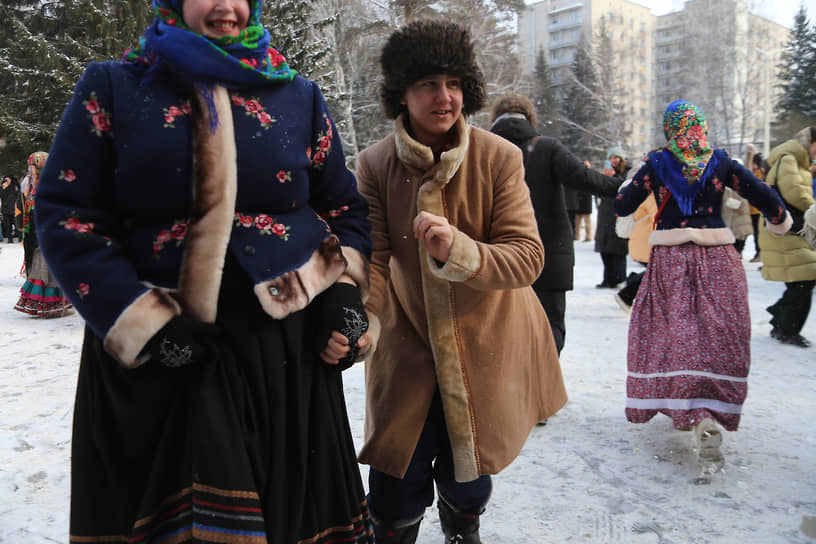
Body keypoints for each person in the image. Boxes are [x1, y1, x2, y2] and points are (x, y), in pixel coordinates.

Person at [34, 1, 375, 542]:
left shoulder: (297, 95)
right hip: (160, 362)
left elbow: (345, 211)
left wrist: (343, 292)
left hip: (281, 357)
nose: (226, 6)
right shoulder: (115, 87)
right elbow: (67, 215)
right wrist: (145, 325)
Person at [354, 21, 566, 543]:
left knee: (467, 474)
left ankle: (462, 527)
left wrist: (460, 250)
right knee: (393, 483)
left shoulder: (499, 157)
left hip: (486, 344)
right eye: (427, 83)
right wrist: (361, 321)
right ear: (401, 94)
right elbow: (375, 259)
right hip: (405, 345)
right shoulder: (374, 165)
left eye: (453, 83)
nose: (443, 97)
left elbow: (527, 258)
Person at [615, 100, 790, 470]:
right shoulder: (722, 162)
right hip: (718, 258)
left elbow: (623, 203)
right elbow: (763, 196)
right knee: (716, 333)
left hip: (671, 260)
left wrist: (635, 181)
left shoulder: (658, 164)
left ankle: (688, 409)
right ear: (702, 129)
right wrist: (780, 220)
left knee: (674, 334)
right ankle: (708, 411)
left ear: (670, 129)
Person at [488, 93, 620, 354]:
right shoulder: (548, 148)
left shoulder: (482, 149)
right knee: (550, 327)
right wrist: (631, 187)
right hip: (550, 253)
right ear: (529, 117)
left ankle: (509, 387)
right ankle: (542, 387)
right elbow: (587, 179)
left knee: (499, 328)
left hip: (498, 254)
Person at [758, 126, 816, 348]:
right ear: (810, 142)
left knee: (803, 280)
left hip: (790, 227)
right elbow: (794, 193)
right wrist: (813, 210)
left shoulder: (796, 160)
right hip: (786, 229)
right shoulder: (789, 158)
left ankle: (781, 321)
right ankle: (786, 326)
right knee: (805, 279)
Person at [13, 152, 74, 318]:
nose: (30, 168)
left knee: (47, 267)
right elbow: (23, 208)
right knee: (42, 267)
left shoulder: (51, 183)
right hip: (37, 231)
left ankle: (53, 304)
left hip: (49, 231)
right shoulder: (30, 184)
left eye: (32, 165)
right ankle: (48, 304)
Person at [595, 147, 629, 288]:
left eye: (617, 158)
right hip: (605, 214)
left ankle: (619, 278)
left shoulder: (627, 173)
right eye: (612, 158)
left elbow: (625, 186)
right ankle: (608, 278)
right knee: (605, 249)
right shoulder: (607, 173)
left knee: (618, 250)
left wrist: (614, 177)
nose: (614, 160)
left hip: (618, 214)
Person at [745, 144, 766, 262]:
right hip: (752, 209)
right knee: (756, 233)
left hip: (758, 209)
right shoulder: (754, 172)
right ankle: (759, 253)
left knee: (759, 233)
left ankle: (760, 253)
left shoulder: (759, 174)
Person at [1, 174, 20, 243]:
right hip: (5, 210)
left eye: (8, 179)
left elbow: (17, 195)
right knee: (7, 225)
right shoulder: (2, 187)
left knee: (16, 224)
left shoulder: (14, 187)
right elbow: (2, 196)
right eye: (6, 179)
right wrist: (3, 188)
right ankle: (10, 238)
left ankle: (20, 237)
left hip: (14, 209)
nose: (7, 181)